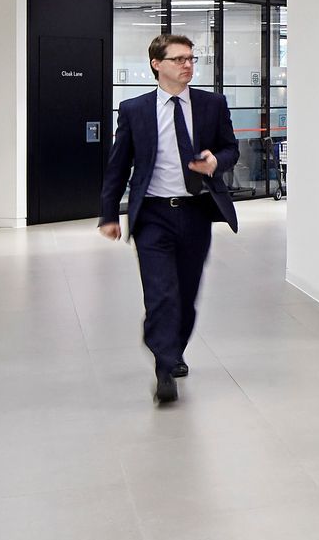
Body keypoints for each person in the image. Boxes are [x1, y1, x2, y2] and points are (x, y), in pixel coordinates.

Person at [98, 33, 240, 406]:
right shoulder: (135, 110)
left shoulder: (212, 105)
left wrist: (215, 162)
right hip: (154, 215)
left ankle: (172, 347)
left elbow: (230, 149)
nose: (187, 65)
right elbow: (118, 165)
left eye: (191, 59)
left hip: (195, 212)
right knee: (161, 293)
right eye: (178, 59)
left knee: (187, 294)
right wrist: (109, 213)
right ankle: (165, 364)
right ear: (156, 64)